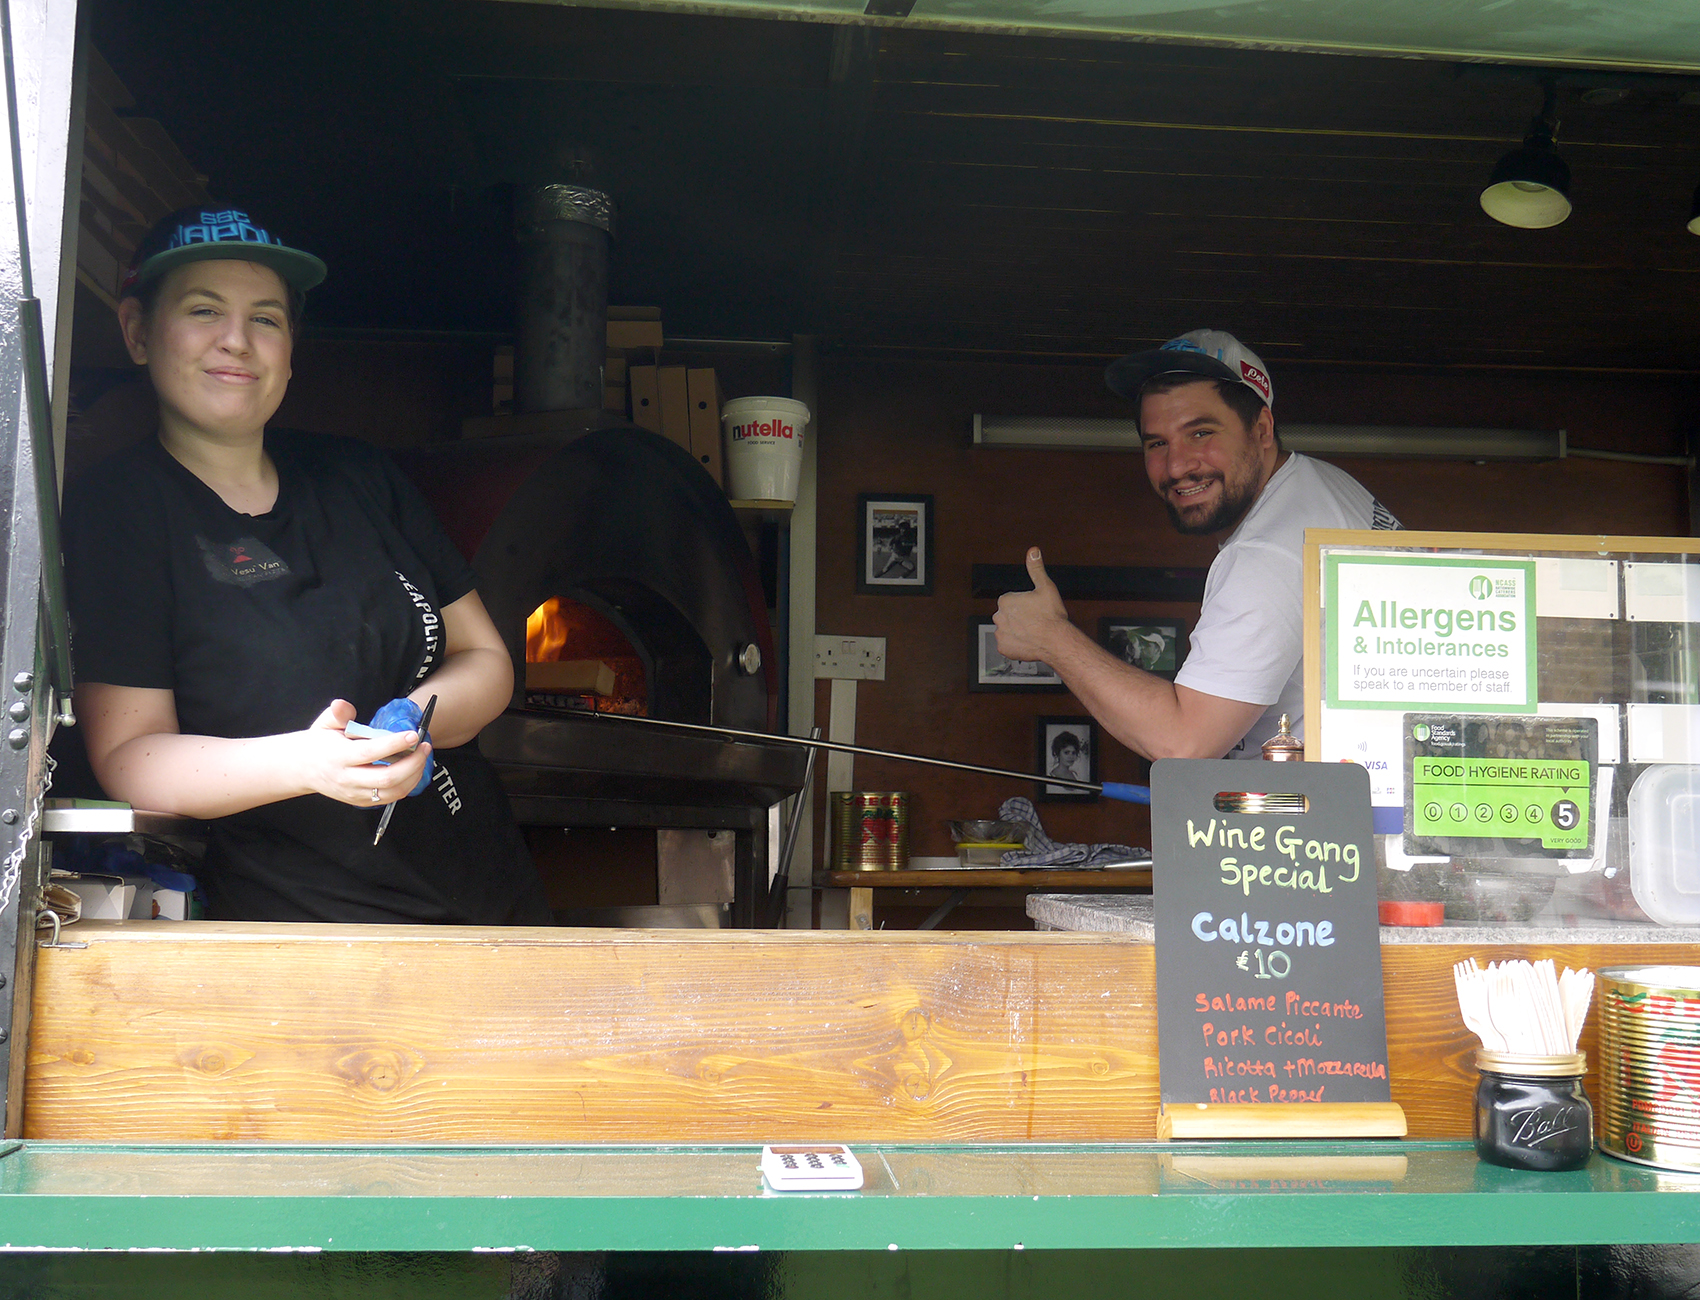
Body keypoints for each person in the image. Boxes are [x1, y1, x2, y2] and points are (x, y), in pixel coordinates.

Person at [60, 205, 552, 924]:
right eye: (204, 311)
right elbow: (131, 756)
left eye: (266, 319)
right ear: (138, 332)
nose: (237, 341)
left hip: (482, 891)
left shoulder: (357, 475)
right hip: (303, 926)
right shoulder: (122, 509)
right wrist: (309, 764)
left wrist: (415, 718)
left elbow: (486, 658)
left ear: (290, 349)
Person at [995, 329, 1401, 762]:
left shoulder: (1266, 556)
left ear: (1262, 429)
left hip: (1344, 822)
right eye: (1157, 443)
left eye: (1201, 433)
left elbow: (1183, 742)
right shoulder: (1320, 483)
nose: (1176, 466)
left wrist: (1051, 638)